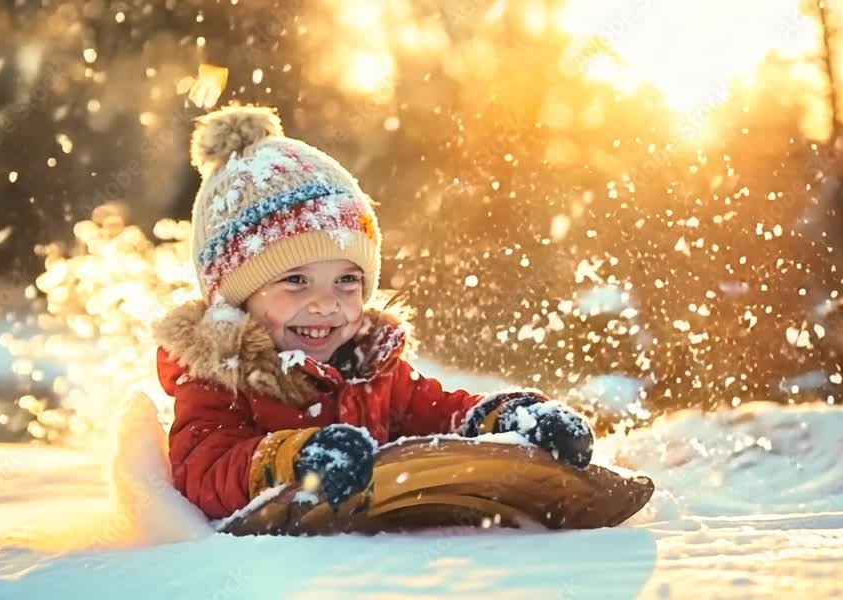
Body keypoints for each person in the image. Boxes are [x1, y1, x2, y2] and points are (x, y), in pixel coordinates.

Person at [153, 104, 594, 520]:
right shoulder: (219, 380)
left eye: (347, 280)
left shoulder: (370, 367)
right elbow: (203, 470)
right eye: (296, 280)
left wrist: (509, 417)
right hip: (279, 568)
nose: (326, 303)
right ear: (235, 298)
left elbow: (443, 413)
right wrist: (296, 459)